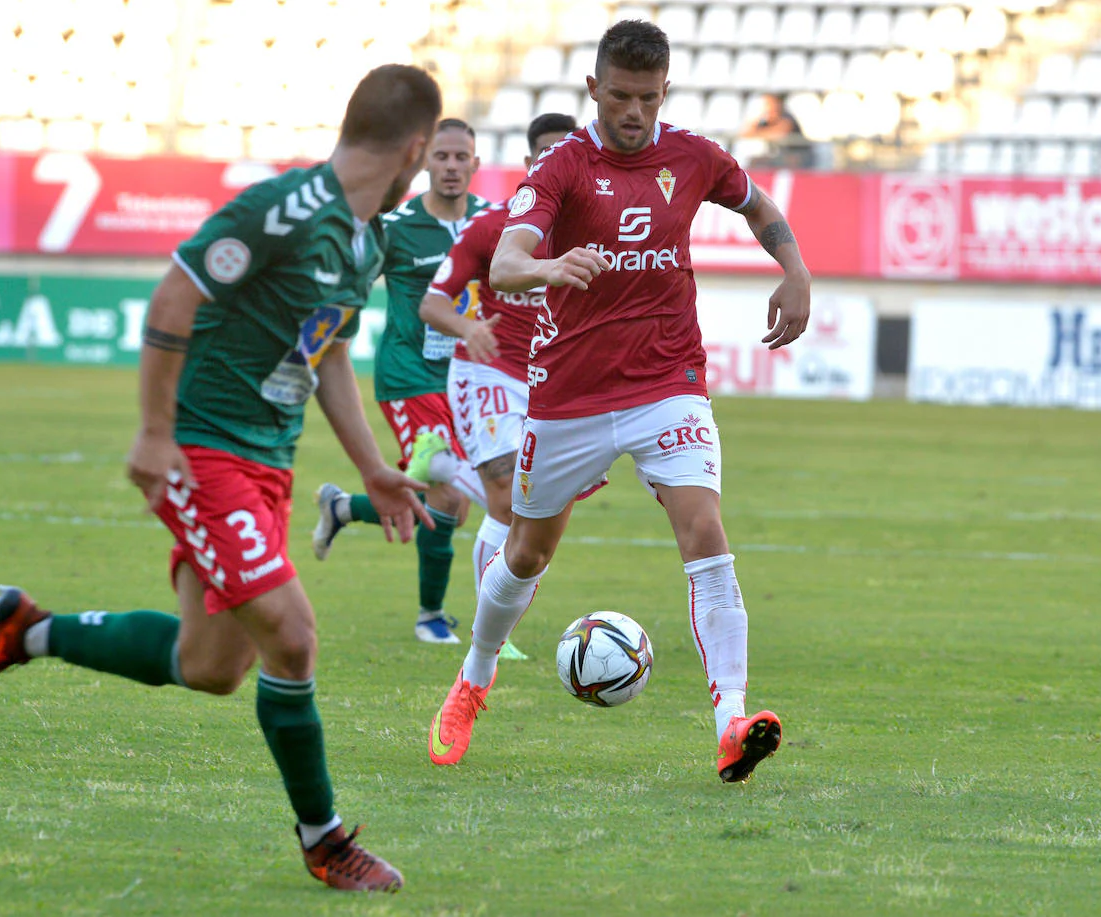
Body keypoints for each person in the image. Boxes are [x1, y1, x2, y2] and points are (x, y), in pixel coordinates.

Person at [0, 64, 444, 893]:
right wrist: (154, 431)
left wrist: (372, 467)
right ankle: (325, 841)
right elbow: (174, 295)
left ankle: (25, 630)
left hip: (268, 463)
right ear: (417, 148)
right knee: (291, 633)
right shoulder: (286, 209)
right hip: (202, 448)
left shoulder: (369, 243)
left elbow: (321, 353)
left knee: (213, 664)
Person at [427, 20, 812, 785]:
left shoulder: (693, 154)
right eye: (621, 96)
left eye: (648, 97)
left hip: (668, 383)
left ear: (664, 91)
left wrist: (794, 267)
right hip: (568, 394)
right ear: (593, 91)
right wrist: (551, 264)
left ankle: (731, 721)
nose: (634, 112)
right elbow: (504, 264)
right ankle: (473, 678)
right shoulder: (564, 168)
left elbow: (758, 204)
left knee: (705, 528)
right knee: (528, 550)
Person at [310, 118, 515, 651]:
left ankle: (344, 508)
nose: (450, 166)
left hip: (469, 380)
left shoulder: (493, 223)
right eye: (441, 156)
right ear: (426, 162)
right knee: (447, 494)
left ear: (475, 164)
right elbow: (351, 278)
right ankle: (430, 617)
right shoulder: (397, 227)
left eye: (460, 157)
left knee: (459, 499)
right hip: (407, 376)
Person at [414, 112, 580, 592]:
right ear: (530, 162)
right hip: (487, 371)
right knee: (509, 503)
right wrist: (467, 327)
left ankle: (446, 467)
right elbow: (432, 303)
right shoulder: (492, 228)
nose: (559, 165)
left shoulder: (595, 232)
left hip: (549, 384)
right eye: (548, 155)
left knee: (531, 511)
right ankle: (489, 639)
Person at [739, 92, 814, 170]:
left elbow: (780, 131)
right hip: (779, 157)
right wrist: (760, 116)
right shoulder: (766, 120)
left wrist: (759, 133)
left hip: (799, 156)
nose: (768, 107)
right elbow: (746, 133)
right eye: (766, 104)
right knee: (754, 161)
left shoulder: (787, 117)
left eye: (770, 103)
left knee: (791, 160)